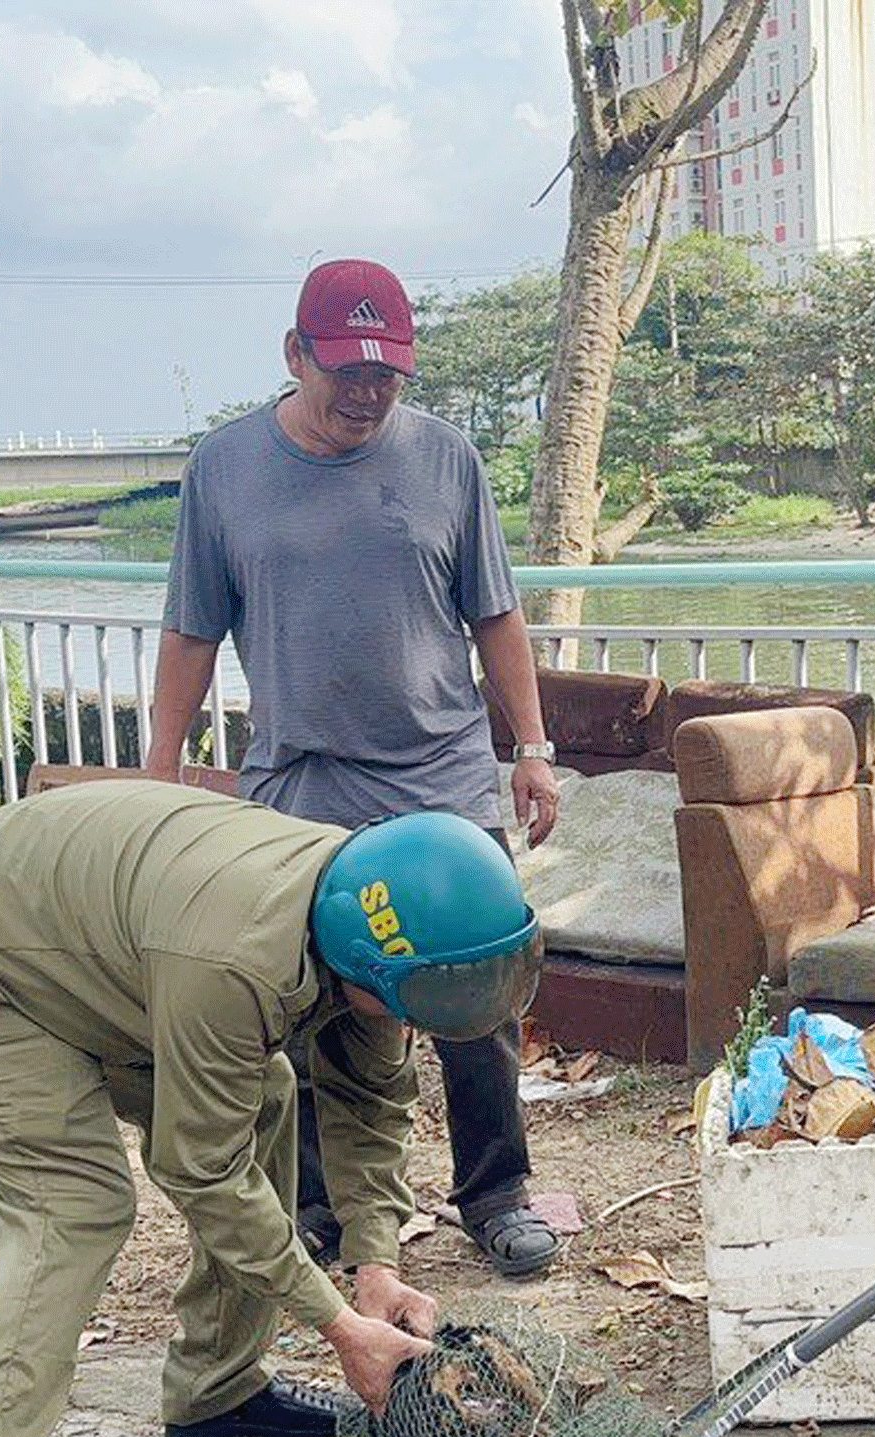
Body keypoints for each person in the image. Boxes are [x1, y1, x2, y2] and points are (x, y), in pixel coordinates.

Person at [0, 782, 544, 1437]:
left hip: (92, 940)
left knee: (262, 1095)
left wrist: (374, 1265)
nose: (418, 1022)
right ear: (366, 964)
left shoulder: (364, 915)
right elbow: (202, 1168)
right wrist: (338, 1327)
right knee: (69, 1202)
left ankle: (216, 1388)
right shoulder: (238, 959)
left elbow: (370, 1105)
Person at [145, 257, 566, 1279]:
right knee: (297, 1007)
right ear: (297, 355)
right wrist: (160, 769)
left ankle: (496, 1192)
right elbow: (191, 630)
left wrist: (533, 746)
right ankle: (316, 1204)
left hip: (441, 773)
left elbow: (495, 614)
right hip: (298, 782)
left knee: (478, 996)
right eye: (348, 373)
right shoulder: (225, 468)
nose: (368, 395)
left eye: (388, 376)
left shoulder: (447, 460)